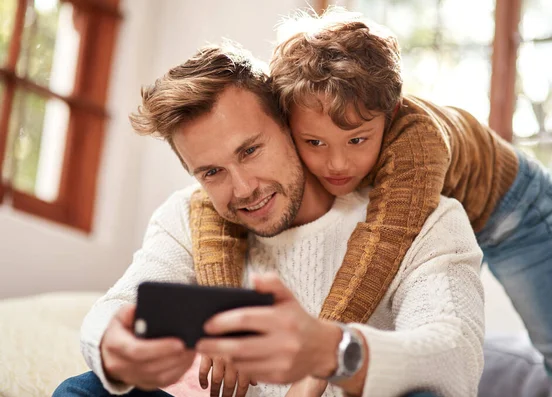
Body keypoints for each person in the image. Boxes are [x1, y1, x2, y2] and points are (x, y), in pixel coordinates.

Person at [194, 8, 552, 396]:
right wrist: (223, 323)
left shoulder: (416, 146)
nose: (336, 163)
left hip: (517, 211)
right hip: (451, 212)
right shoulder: (293, 123)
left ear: (392, 112)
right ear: (288, 121)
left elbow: (381, 244)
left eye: (357, 140)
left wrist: (318, 368)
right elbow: (206, 202)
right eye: (314, 142)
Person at [53, 43, 484, 397]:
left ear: (290, 124)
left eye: (250, 151)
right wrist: (113, 347)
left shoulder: (427, 220)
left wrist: (331, 351)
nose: (242, 189)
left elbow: (454, 355)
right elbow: (120, 304)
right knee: (87, 390)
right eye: (211, 172)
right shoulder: (186, 218)